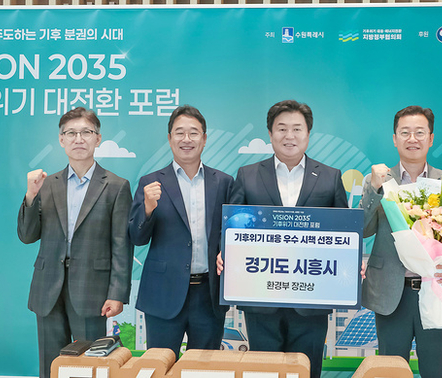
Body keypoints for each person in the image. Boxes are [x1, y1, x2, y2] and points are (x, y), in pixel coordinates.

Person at [218, 99, 348, 378]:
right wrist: (224, 252)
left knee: (307, 370)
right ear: (270, 133)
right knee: (263, 372)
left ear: (308, 133)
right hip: (260, 298)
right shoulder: (248, 175)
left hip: (312, 301)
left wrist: (350, 263)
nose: (290, 136)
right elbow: (233, 227)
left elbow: (344, 232)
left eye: (297, 129)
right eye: (282, 128)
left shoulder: (330, 177)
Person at [17, 107, 133, 378]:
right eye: (71, 133)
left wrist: (117, 293)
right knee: (50, 367)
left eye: (86, 132)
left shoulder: (116, 186)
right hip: (48, 289)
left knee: (90, 367)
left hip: (92, 291)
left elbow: (122, 246)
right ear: (61, 140)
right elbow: (27, 235)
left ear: (98, 138)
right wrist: (31, 196)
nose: (78, 139)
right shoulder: (46, 184)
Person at [358, 105, 442, 378]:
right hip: (391, 292)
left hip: (436, 288)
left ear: (431, 139)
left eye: (419, 132)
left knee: (436, 370)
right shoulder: (377, 180)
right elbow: (362, 229)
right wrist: (374, 188)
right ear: (394, 138)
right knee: (391, 371)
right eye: (405, 132)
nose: (412, 139)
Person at [128, 105, 233, 357]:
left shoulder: (224, 182)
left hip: (208, 295)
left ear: (204, 139)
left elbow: (231, 234)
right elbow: (137, 237)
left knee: (204, 370)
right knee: (160, 365)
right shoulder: (150, 182)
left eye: (194, 133)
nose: (187, 139)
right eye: (179, 132)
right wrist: (148, 208)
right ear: (169, 138)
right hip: (163, 294)